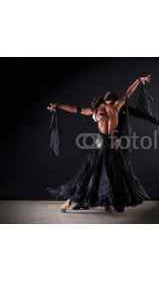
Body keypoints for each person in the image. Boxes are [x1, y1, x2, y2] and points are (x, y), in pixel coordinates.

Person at [47, 75, 152, 214]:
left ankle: (104, 204)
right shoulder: (115, 106)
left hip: (108, 149)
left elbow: (75, 109)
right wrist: (138, 80)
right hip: (105, 150)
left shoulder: (97, 110)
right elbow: (128, 93)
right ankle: (70, 202)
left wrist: (58, 106)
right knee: (92, 177)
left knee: (102, 177)